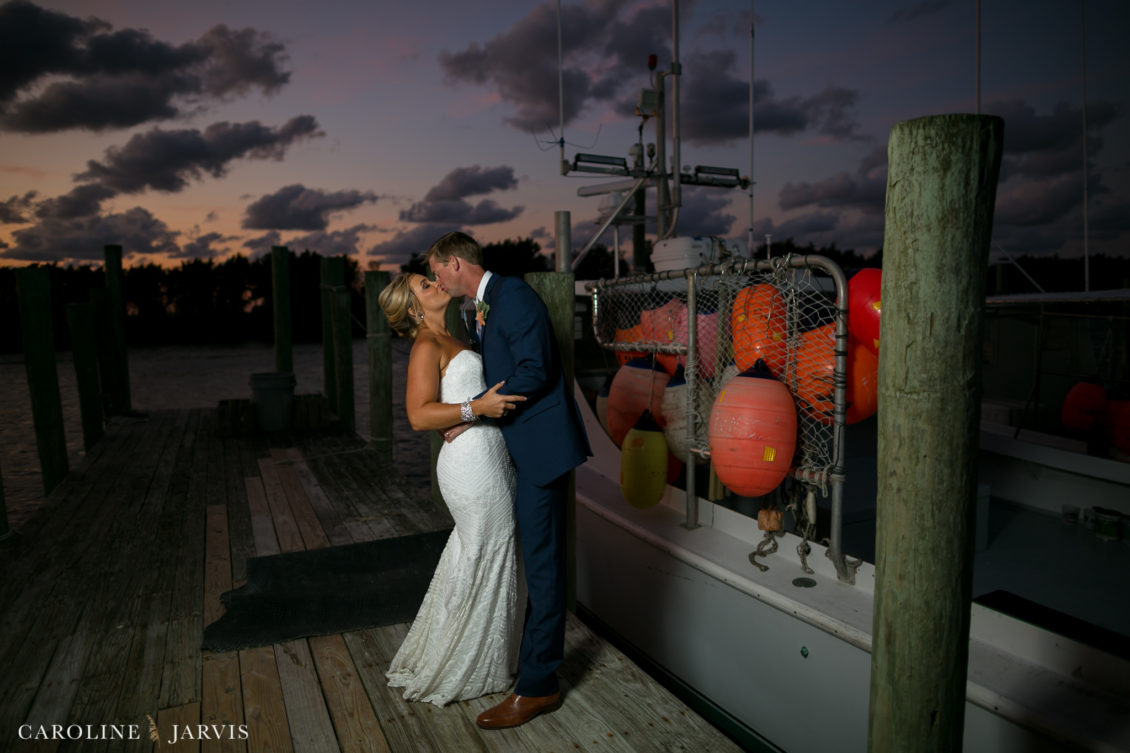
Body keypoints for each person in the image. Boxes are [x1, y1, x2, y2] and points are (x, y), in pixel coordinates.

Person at [426, 231, 592, 729]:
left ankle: (539, 687)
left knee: (543, 569)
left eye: (436, 270)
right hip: (516, 451)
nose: (435, 279)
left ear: (455, 263)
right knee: (528, 561)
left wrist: (473, 416)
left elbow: (536, 369)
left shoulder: (513, 296)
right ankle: (527, 660)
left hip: (541, 452)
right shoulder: (482, 304)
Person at [377, 272, 528, 706]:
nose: (437, 284)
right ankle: (466, 661)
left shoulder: (458, 335)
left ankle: (491, 655)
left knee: (486, 550)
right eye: (426, 285)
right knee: (486, 548)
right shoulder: (426, 344)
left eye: (432, 278)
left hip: (490, 454)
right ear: (413, 308)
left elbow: (457, 401)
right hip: (470, 466)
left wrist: (469, 414)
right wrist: (475, 408)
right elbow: (419, 416)